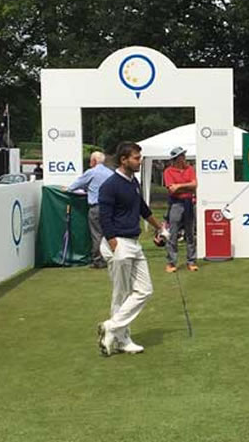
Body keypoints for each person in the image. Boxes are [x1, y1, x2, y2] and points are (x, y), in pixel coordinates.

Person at [96, 142, 165, 356]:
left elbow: (143, 208)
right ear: (123, 160)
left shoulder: (133, 181)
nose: (139, 161)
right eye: (136, 158)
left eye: (140, 157)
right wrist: (114, 244)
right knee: (121, 293)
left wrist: (159, 227)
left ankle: (111, 327)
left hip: (133, 243)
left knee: (145, 290)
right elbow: (104, 217)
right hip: (118, 242)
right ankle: (122, 340)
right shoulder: (110, 185)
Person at [66, 151, 114, 268]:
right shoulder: (111, 173)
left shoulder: (91, 172)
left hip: (96, 207)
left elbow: (73, 187)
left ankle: (98, 260)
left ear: (94, 161)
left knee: (97, 234)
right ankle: (111, 257)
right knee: (109, 233)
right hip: (111, 207)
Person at [162, 146, 198, 272]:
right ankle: (171, 263)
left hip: (189, 203)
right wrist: (186, 187)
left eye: (184, 155)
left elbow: (194, 185)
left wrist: (179, 186)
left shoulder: (190, 169)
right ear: (176, 159)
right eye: (181, 156)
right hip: (176, 203)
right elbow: (172, 189)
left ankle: (191, 261)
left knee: (190, 233)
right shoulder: (168, 171)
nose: (184, 157)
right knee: (173, 233)